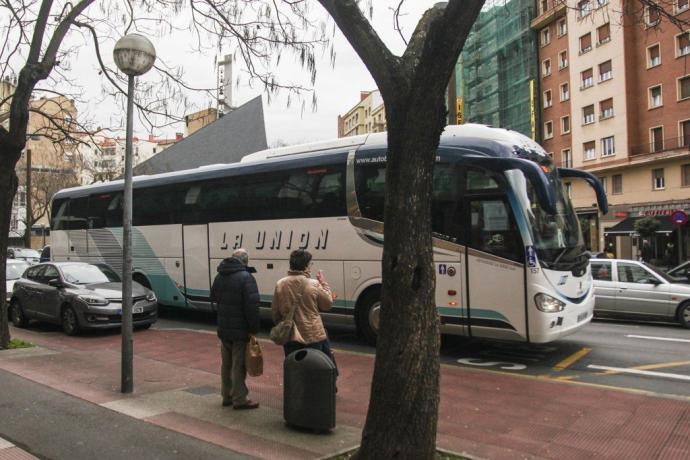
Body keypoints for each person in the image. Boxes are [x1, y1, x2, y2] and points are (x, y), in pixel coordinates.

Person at [271, 249, 338, 374]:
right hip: (313, 335)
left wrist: (283, 324)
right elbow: (327, 304)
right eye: (310, 264)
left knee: (294, 370)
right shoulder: (313, 284)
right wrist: (323, 283)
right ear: (306, 266)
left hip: (291, 335)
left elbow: (275, 312)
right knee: (318, 369)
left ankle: (296, 392)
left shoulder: (280, 284)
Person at [210, 248, 260, 410]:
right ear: (245, 261)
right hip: (240, 330)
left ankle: (227, 395)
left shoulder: (220, 275)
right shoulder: (246, 278)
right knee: (238, 365)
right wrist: (253, 328)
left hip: (224, 328)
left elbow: (214, 298)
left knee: (226, 364)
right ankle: (240, 399)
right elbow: (252, 306)